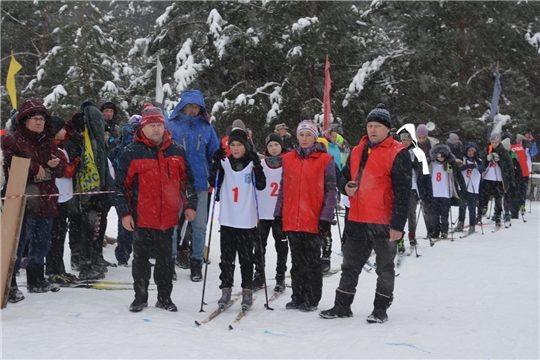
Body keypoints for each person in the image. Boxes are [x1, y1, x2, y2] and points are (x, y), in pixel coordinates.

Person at [319, 103, 411, 323]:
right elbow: (342, 176)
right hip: (357, 219)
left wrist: (398, 225)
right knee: (349, 266)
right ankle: (342, 306)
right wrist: (344, 187)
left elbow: (403, 192)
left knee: (385, 268)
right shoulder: (358, 150)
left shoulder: (398, 153)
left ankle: (380, 309)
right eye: (370, 125)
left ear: (387, 129)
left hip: (383, 221)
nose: (372, 129)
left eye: (377, 126)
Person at [115, 103, 197, 312]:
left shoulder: (176, 150)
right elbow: (120, 186)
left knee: (165, 261)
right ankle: (140, 298)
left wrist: (190, 205)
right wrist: (124, 213)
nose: (156, 129)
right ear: (142, 128)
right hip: (141, 217)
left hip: (168, 218)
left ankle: (164, 298)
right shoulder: (131, 152)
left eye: (159, 125)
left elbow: (187, 181)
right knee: (141, 261)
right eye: (151, 125)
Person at [2, 98, 67, 300]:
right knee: (17, 244)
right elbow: (7, 163)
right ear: (24, 120)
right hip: (21, 201)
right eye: (34, 119)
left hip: (46, 200)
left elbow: (62, 169)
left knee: (42, 243)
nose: (39, 122)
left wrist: (56, 164)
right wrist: (33, 166)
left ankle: (36, 279)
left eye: (41, 119)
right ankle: (8, 283)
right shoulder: (11, 140)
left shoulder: (48, 141)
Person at [274, 120, 337, 312]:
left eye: (308, 135)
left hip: (313, 219)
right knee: (296, 261)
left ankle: (311, 297)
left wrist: (326, 218)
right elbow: (283, 189)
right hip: (292, 218)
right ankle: (297, 295)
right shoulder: (289, 159)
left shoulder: (325, 160)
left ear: (314, 136)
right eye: (301, 135)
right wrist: (278, 214)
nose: (304, 138)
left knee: (312, 261)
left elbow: (331, 191)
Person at [209, 128, 266, 310]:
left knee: (246, 259)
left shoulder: (251, 164)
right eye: (232, 145)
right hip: (228, 219)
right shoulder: (224, 163)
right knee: (226, 259)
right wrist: (214, 163)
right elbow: (213, 182)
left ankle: (247, 290)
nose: (235, 148)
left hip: (246, 221)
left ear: (245, 146)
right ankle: (226, 290)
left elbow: (262, 185)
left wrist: (257, 165)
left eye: (239, 145)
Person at [167, 90, 220, 282]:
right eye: (190, 106)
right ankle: (170, 260)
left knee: (199, 225)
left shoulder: (206, 128)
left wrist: (214, 172)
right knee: (172, 224)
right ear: (182, 106)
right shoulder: (170, 126)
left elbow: (215, 153)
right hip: (175, 183)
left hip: (199, 183)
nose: (193, 110)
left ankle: (196, 261)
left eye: (196, 106)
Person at [46, 115, 81, 286]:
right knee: (55, 237)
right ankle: (53, 270)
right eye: (61, 129)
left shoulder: (62, 146)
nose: (64, 132)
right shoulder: (52, 148)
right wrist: (75, 164)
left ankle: (58, 268)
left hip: (64, 198)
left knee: (60, 236)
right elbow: (64, 170)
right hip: (56, 199)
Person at [253, 133, 289, 292]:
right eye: (270, 146)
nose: (273, 148)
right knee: (259, 246)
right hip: (263, 213)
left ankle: (280, 277)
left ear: (281, 146)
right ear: (266, 148)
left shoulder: (288, 163)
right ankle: (259, 275)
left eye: (276, 145)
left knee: (281, 247)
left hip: (280, 214)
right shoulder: (260, 164)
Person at [428, 143, 466, 239]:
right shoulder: (432, 164)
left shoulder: (450, 164)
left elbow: (458, 176)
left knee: (444, 214)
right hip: (434, 193)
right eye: (439, 156)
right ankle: (435, 231)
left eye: (443, 156)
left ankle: (444, 231)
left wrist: (463, 187)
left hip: (446, 193)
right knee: (435, 214)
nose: (440, 158)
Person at [479, 132, 515, 227]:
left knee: (498, 198)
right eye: (492, 142)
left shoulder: (503, 151)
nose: (494, 144)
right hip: (487, 177)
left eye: (496, 142)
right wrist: (487, 159)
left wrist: (500, 161)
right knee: (484, 196)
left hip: (498, 178)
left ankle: (498, 216)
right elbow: (481, 161)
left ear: (499, 142)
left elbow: (509, 165)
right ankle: (480, 213)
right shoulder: (487, 149)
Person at [455, 142, 485, 234]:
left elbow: (482, 168)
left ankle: (472, 225)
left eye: (473, 151)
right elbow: (457, 169)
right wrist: (466, 166)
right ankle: (460, 223)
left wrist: (475, 164)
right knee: (462, 206)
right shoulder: (462, 159)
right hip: (463, 186)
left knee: (472, 207)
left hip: (473, 188)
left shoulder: (479, 160)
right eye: (469, 151)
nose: (471, 152)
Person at [509, 135, 531, 218]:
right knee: (522, 191)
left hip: (518, 173)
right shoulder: (520, 147)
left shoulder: (510, 148)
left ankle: (514, 212)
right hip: (525, 172)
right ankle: (521, 205)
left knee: (514, 193)